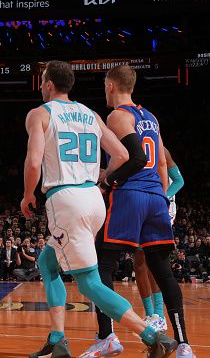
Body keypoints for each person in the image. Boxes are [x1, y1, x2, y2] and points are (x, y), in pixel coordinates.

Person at [21, 60, 177, 358]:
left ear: (49, 84)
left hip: (66, 199)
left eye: (42, 81)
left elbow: (34, 161)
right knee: (47, 262)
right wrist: (102, 177)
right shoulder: (91, 114)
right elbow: (121, 153)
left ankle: (152, 336)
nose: (41, 86)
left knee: (90, 283)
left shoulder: (40, 114)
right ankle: (57, 340)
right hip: (93, 199)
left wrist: (28, 194)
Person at [82, 66, 194, 358]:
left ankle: (107, 336)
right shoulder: (152, 118)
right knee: (163, 271)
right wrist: (160, 195)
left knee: (103, 266)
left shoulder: (118, 115)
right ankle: (183, 344)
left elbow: (136, 158)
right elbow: (159, 166)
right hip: (156, 196)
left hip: (130, 195)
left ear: (110, 85)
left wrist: (108, 180)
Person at [132, 147, 184, 335]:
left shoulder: (162, 150)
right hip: (141, 203)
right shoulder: (130, 147)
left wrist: (164, 195)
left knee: (151, 257)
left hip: (163, 204)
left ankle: (160, 316)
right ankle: (150, 314)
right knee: (138, 261)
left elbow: (179, 180)